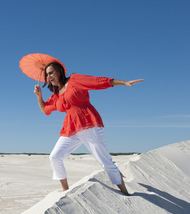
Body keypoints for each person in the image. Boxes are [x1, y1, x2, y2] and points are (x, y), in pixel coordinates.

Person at [33, 61, 144, 196]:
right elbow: (45, 109)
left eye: (51, 73)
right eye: (47, 75)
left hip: (88, 124)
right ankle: (65, 191)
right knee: (55, 157)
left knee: (105, 162)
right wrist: (39, 96)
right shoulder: (56, 95)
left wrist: (124, 82)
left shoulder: (74, 80)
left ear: (60, 72)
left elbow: (97, 82)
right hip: (70, 129)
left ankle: (126, 193)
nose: (48, 76)